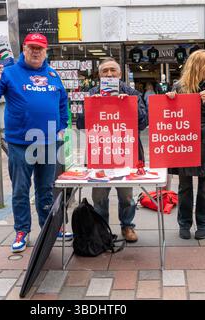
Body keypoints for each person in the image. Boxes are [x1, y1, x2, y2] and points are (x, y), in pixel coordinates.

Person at [0, 33, 70, 253]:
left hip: (49, 141)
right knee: (21, 189)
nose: (35, 52)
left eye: (40, 48)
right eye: (31, 47)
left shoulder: (52, 73)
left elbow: (62, 100)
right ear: (23, 48)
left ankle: (49, 228)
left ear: (46, 51)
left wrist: (63, 125)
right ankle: (22, 230)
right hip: (20, 142)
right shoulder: (9, 72)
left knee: (46, 189)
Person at [77, 58, 148, 242]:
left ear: (120, 74)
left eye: (112, 71)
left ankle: (127, 226)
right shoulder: (92, 93)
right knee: (99, 196)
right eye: (104, 71)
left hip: (125, 152)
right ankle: (102, 229)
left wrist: (128, 106)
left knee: (126, 196)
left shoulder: (132, 93)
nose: (109, 74)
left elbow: (143, 123)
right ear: (99, 75)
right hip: (100, 152)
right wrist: (92, 106)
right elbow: (80, 123)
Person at [166, 49, 205, 240]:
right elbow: (169, 112)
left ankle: (204, 224)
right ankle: (184, 224)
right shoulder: (179, 86)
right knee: (184, 185)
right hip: (184, 137)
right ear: (197, 65)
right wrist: (170, 99)